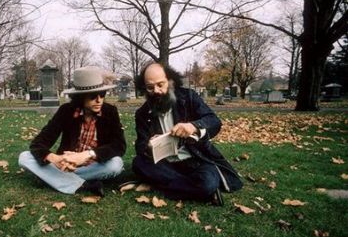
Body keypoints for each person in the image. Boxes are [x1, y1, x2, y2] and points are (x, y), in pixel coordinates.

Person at [132, 62, 243, 205]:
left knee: (207, 183)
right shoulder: (142, 113)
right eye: (150, 87)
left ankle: (164, 186)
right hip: (165, 164)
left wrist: (193, 126)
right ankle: (195, 190)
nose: (156, 91)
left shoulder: (189, 97)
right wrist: (148, 145)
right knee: (138, 163)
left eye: (160, 84)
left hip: (196, 159)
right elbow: (140, 147)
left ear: (170, 81)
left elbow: (214, 121)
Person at [18, 66, 126, 197]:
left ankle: (51, 178)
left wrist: (88, 155)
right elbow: (38, 143)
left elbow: (119, 146)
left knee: (116, 164)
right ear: (80, 97)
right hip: (65, 164)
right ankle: (84, 185)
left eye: (102, 95)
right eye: (93, 96)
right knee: (24, 157)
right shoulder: (66, 111)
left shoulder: (110, 112)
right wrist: (55, 158)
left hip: (93, 164)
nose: (99, 100)